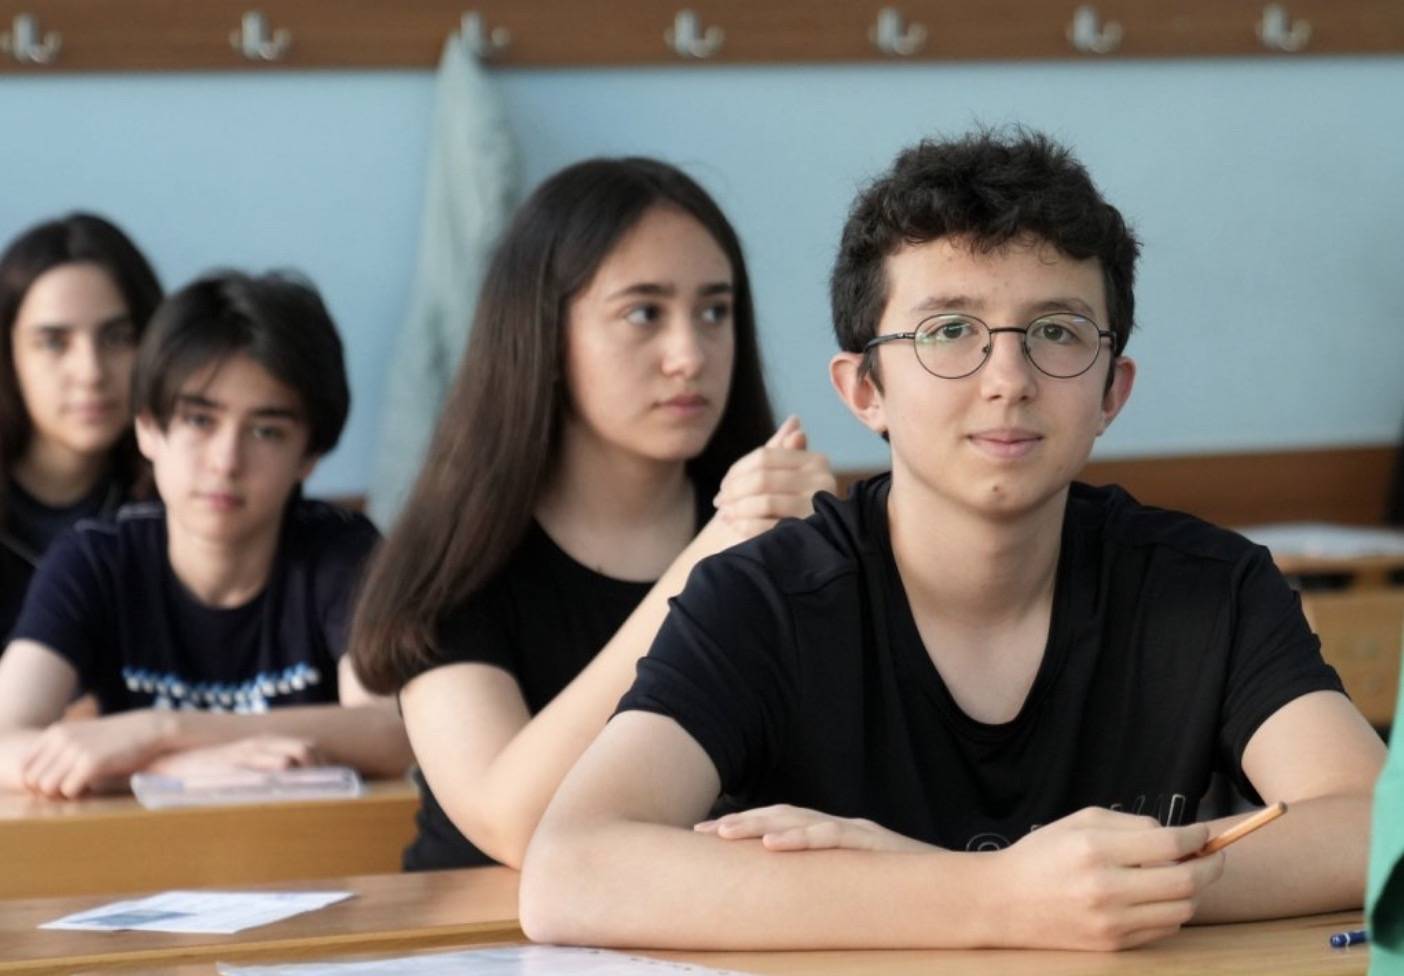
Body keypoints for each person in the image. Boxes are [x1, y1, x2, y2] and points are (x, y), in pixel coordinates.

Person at [520, 130, 1388, 951]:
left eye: (1056, 332)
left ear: (1112, 391)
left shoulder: (1210, 587)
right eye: (948, 331)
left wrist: (1093, 893)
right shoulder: (763, 600)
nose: (1008, 379)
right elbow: (572, 870)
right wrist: (1002, 895)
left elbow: (1377, 824)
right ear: (865, 389)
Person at [349, 157, 834, 871]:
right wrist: (714, 551)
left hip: (712, 920)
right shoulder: (457, 558)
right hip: (485, 925)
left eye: (714, 311)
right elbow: (516, 828)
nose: (689, 355)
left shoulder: (780, 538)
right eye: (644, 313)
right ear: (543, 333)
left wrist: (833, 557)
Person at [0, 271, 409, 797]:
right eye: (199, 421)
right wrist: (176, 768)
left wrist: (162, 729)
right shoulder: (95, 560)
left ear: (309, 455)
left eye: (266, 431)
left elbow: (392, 729)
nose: (226, 461)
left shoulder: (344, 554)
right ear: (148, 429)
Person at [0, 214, 162, 643]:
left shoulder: (178, 506)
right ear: (9, 354)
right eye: (54, 342)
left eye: (117, 337)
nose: (91, 372)